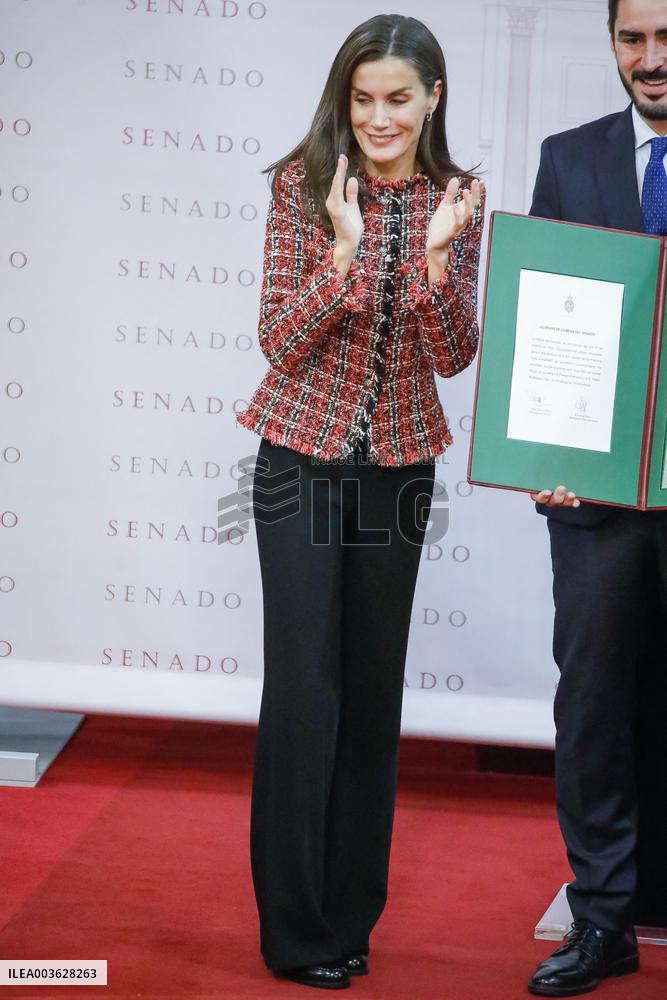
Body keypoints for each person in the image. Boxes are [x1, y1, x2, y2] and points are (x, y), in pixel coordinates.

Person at [236, 13, 484, 991]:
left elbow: (451, 354)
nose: (378, 118)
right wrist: (341, 255)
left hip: (399, 470)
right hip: (298, 461)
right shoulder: (302, 186)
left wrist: (430, 262)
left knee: (373, 696)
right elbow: (277, 340)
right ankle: (292, 930)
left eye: (398, 98)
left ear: (432, 99)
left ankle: (349, 921)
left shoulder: (457, 202)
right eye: (362, 98)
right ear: (346, 100)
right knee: (304, 693)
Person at [527, 0, 667, 994]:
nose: (650, 60)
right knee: (592, 709)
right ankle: (603, 918)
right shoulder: (567, 156)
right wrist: (535, 443)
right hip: (597, 497)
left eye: (666, 36)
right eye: (631, 39)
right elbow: (546, 315)